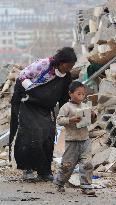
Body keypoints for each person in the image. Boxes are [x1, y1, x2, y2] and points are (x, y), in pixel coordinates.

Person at [9, 47, 77, 181]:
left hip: (45, 108)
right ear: (60, 62)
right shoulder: (44, 65)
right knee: (31, 134)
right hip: (27, 103)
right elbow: (22, 76)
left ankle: (44, 171)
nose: (70, 68)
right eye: (68, 65)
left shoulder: (66, 76)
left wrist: (66, 114)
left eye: (72, 66)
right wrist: (32, 90)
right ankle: (27, 169)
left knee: (48, 134)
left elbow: (64, 98)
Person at [54, 81, 95, 195]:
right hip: (71, 141)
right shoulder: (66, 107)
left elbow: (91, 121)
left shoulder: (85, 106)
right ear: (70, 94)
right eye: (78, 94)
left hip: (85, 139)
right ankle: (60, 183)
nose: (81, 96)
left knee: (87, 164)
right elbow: (59, 120)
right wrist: (70, 120)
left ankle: (86, 186)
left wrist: (93, 115)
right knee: (67, 165)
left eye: (83, 94)